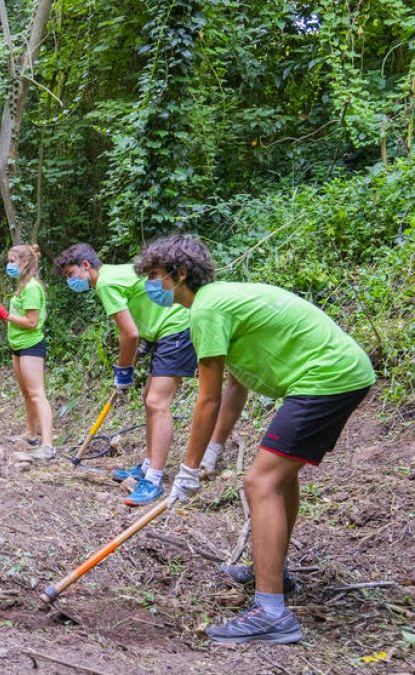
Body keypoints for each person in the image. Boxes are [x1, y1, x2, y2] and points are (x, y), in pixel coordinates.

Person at [138, 234, 374, 644]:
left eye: (156, 276)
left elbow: (207, 400)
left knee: (259, 481)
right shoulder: (222, 300)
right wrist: (213, 450)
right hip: (336, 375)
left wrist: (187, 471)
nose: (151, 286)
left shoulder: (206, 310)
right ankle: (273, 571)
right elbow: (235, 387)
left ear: (179, 275)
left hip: (327, 379)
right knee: (278, 478)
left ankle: (271, 613)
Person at [53, 243, 196, 506]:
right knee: (148, 398)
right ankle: (146, 466)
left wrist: (123, 371)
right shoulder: (114, 272)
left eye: (71, 274)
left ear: (86, 266)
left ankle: (154, 480)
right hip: (164, 331)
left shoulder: (105, 284)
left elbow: (128, 333)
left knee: (157, 402)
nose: (71, 281)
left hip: (177, 328)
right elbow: (138, 317)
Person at [0, 244, 54, 460]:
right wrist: (4, 312)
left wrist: (5, 315)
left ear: (24, 262)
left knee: (37, 394)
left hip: (31, 346)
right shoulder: (22, 285)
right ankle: (31, 435)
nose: (9, 265)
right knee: (27, 393)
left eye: (11, 261)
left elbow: (32, 322)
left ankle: (48, 446)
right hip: (17, 346)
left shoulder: (32, 288)